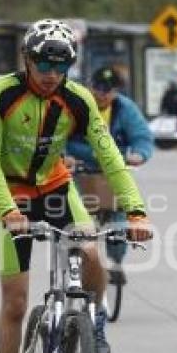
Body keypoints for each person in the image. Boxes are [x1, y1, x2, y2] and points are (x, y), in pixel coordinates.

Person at [0, 18, 152, 353]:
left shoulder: (77, 100)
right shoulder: (1, 93)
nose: (51, 73)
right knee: (15, 302)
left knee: (91, 252)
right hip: (12, 193)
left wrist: (136, 210)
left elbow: (109, 154)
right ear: (27, 59)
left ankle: (94, 321)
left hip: (55, 188)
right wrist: (8, 209)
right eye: (42, 63)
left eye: (61, 65)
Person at [66, 65, 153, 271]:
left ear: (117, 91)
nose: (103, 94)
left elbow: (142, 137)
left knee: (119, 211)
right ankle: (76, 255)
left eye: (110, 89)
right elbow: (57, 135)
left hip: (113, 170)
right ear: (90, 87)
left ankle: (116, 262)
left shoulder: (126, 109)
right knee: (74, 213)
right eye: (98, 88)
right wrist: (64, 156)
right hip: (80, 169)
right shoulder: (76, 105)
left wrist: (140, 154)